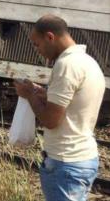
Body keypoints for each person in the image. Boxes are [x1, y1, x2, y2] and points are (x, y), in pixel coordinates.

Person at [14, 14, 105, 201]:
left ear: (50, 37)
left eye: (37, 44)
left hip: (66, 162)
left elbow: (50, 120)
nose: (37, 51)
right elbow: (75, 105)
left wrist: (29, 94)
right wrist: (45, 95)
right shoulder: (89, 62)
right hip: (82, 157)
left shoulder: (66, 65)